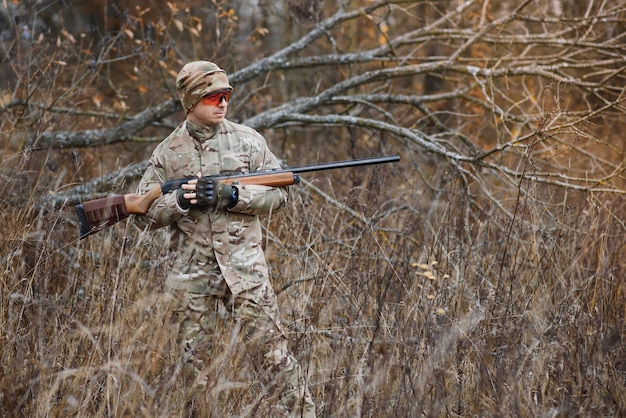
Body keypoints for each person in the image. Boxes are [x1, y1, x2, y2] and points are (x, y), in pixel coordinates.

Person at [134, 61, 316, 417]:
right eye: (213, 96)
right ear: (190, 102)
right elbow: (144, 213)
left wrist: (233, 197)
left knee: (275, 359)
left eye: (226, 95)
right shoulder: (167, 152)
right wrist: (181, 201)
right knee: (193, 374)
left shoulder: (249, 141)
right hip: (190, 278)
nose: (222, 102)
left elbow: (280, 194)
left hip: (245, 271)